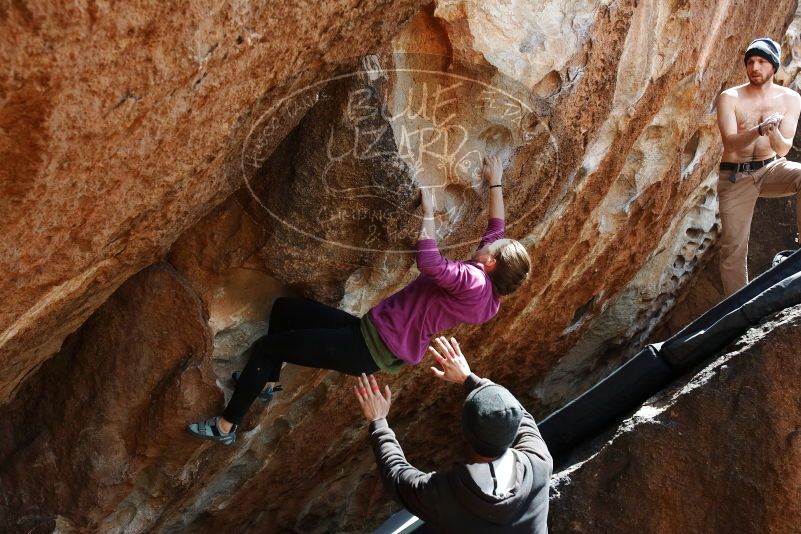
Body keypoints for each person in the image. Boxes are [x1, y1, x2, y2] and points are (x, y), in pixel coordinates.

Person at [188, 155, 532, 444]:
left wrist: (427, 215)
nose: (489, 242)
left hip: (367, 346)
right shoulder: (489, 296)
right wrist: (495, 182)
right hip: (370, 337)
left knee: (268, 348)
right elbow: (496, 230)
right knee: (285, 310)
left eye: (492, 249)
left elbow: (429, 263)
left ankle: (226, 426)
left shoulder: (471, 280)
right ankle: (266, 381)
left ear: (491, 263)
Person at [354, 336, 552, 533]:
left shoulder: (447, 496)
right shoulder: (539, 462)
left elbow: (396, 475)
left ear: (464, 431)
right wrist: (469, 379)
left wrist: (378, 419)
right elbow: (518, 413)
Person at [715, 37, 801, 296]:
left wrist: (773, 133)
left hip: (770, 169)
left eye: (762, 61)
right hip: (735, 176)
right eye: (750, 61)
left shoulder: (790, 99)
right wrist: (759, 130)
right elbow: (731, 142)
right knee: (733, 247)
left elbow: (783, 149)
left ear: (773, 66)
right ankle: (737, 309)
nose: (754, 67)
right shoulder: (730, 97)